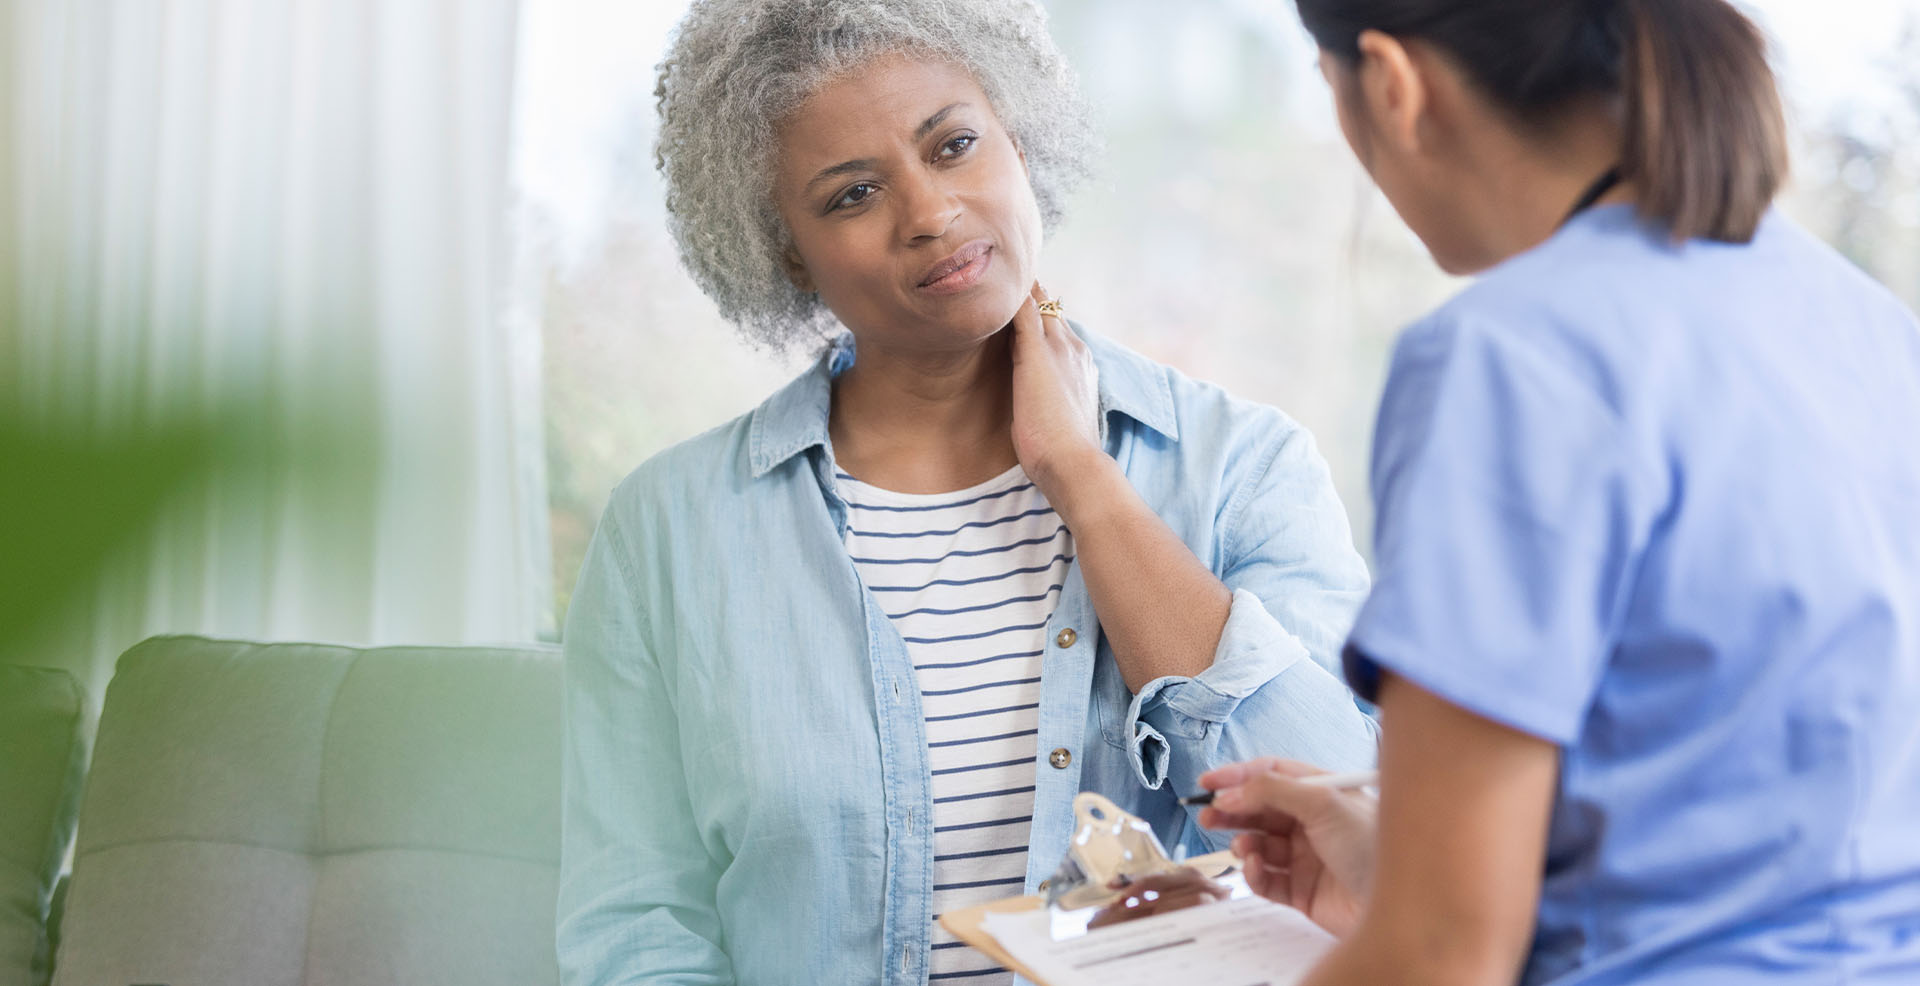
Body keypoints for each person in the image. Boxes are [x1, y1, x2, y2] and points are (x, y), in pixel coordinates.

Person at [555, 1, 1381, 983]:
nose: (930, 215)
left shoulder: (1244, 468)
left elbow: (1354, 841)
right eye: (853, 194)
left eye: (953, 145)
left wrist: (1085, 483)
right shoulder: (666, 531)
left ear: (1018, 141)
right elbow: (637, 924)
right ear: (787, 252)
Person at [1195, 1, 1920, 984]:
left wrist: (1418, 908)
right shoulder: (1866, 322)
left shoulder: (1507, 356)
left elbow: (1441, 958)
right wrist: (1409, 863)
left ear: (1395, 86)